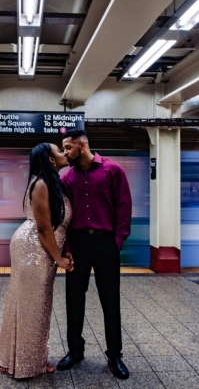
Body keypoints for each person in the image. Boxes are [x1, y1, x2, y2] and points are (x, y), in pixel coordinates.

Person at [0, 143, 74, 379]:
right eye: (59, 150)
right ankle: (24, 362)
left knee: (34, 305)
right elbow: (43, 227)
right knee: (31, 306)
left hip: (42, 251)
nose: (64, 153)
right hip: (33, 249)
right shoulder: (41, 184)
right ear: (50, 159)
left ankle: (19, 358)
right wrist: (58, 257)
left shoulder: (53, 182)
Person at [57, 129, 132, 380]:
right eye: (63, 148)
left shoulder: (112, 170)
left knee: (110, 300)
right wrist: (67, 248)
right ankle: (75, 351)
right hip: (78, 244)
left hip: (106, 243)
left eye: (68, 147)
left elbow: (124, 206)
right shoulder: (67, 179)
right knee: (74, 299)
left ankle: (114, 356)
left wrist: (117, 241)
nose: (65, 152)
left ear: (83, 145)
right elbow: (65, 217)